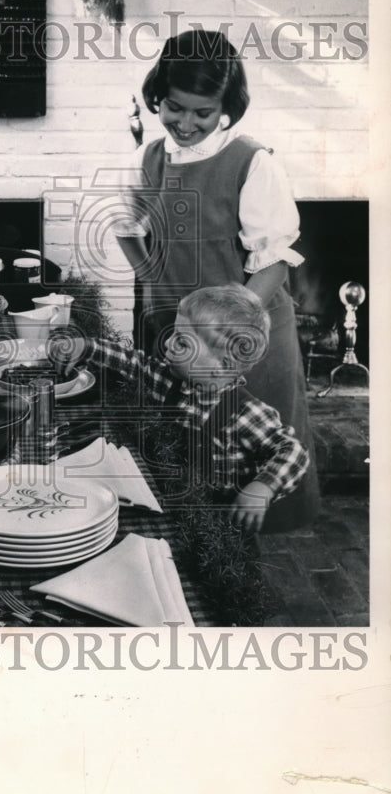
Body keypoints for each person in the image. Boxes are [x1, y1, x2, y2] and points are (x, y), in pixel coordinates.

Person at [113, 28, 320, 532]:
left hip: (246, 332)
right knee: (185, 444)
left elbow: (275, 257)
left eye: (202, 113)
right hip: (174, 324)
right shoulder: (149, 158)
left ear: (226, 106)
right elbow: (126, 227)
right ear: (157, 97)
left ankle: (256, 536)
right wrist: (154, 280)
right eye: (174, 108)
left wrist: (231, 323)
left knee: (253, 441)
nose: (186, 123)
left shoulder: (252, 162)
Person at [50, 284, 310, 533]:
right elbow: (130, 362)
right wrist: (86, 347)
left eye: (182, 343)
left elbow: (293, 451)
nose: (167, 344)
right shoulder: (168, 380)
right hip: (164, 504)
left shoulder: (245, 413)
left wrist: (262, 487)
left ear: (223, 365)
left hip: (215, 528)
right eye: (173, 334)